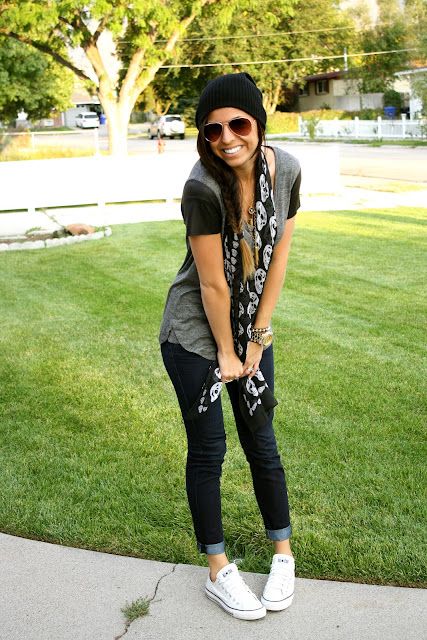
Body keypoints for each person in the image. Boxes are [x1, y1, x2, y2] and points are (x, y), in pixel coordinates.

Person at [159, 72, 301, 621]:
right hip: (196, 333)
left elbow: (278, 254)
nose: (227, 138)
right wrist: (226, 351)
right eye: (212, 130)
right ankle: (218, 570)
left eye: (238, 124)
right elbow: (213, 284)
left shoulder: (287, 170)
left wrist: (258, 336)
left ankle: (283, 556)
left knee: (261, 438)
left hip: (248, 327)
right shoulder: (202, 187)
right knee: (210, 449)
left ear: (259, 124)